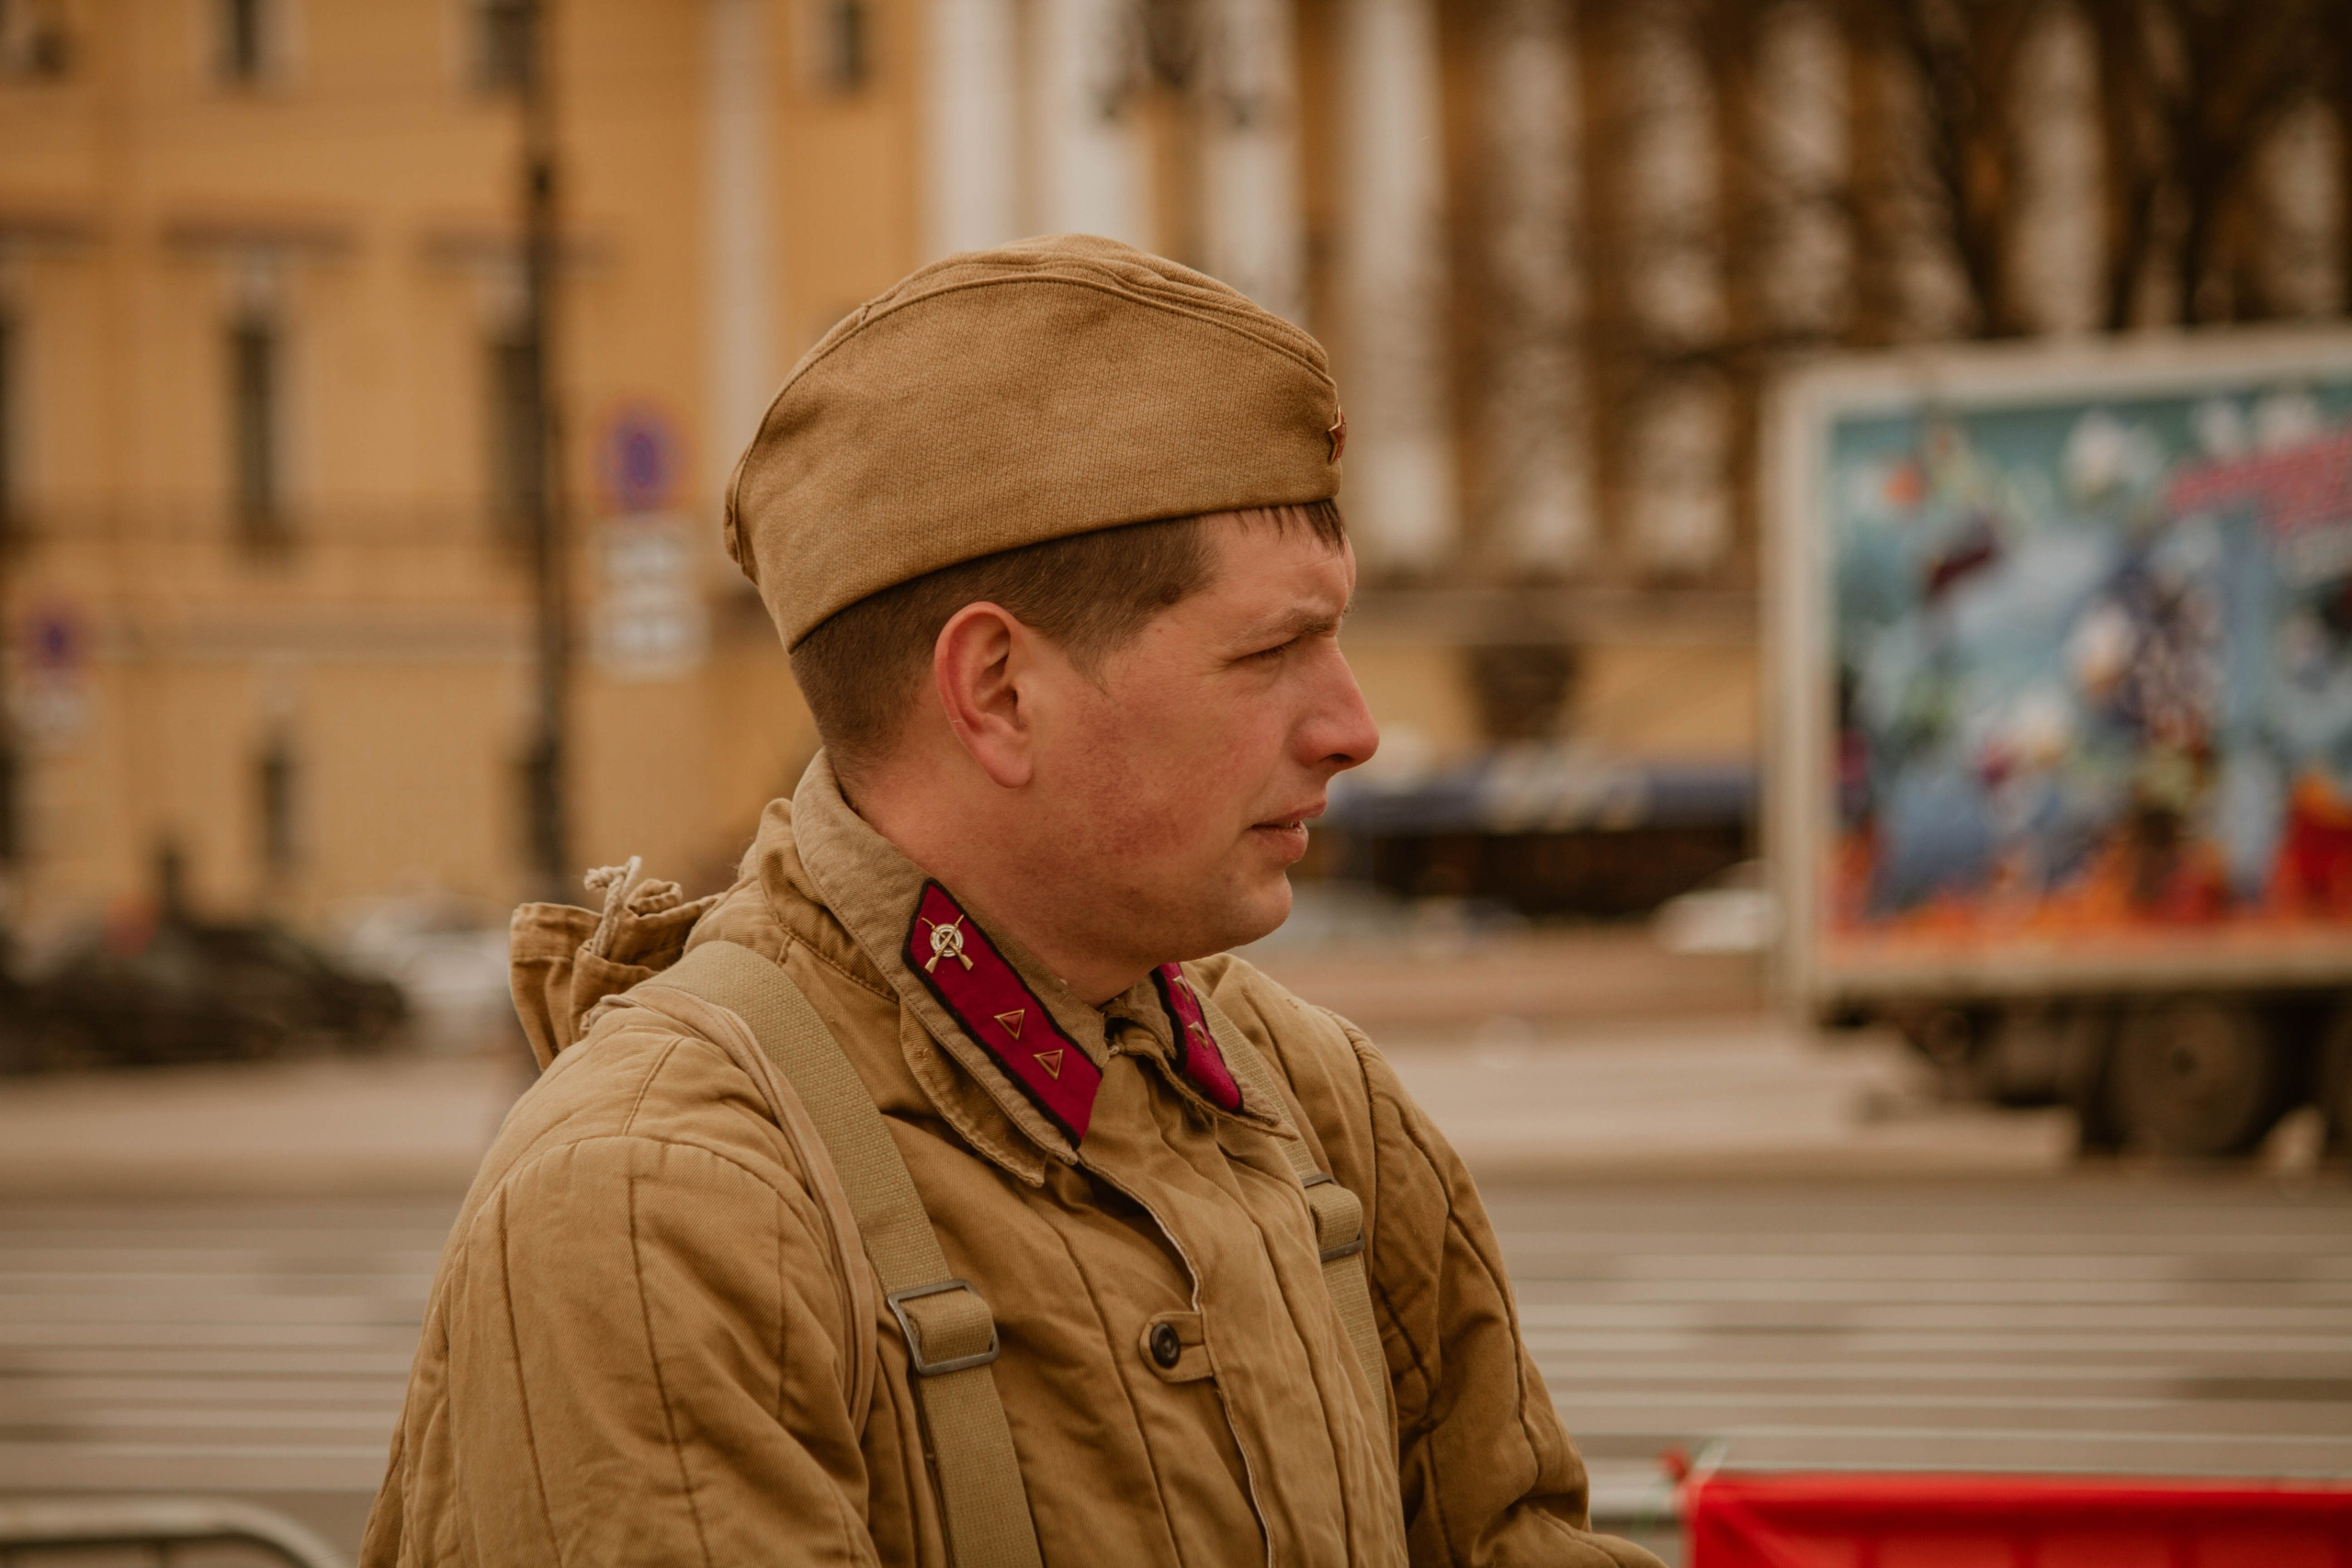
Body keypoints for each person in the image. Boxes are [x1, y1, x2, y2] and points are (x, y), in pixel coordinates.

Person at [362, 235, 1662, 1568]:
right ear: (996, 691)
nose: (1355, 726)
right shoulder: (656, 1203)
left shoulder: (1317, 1100)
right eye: (1271, 650)